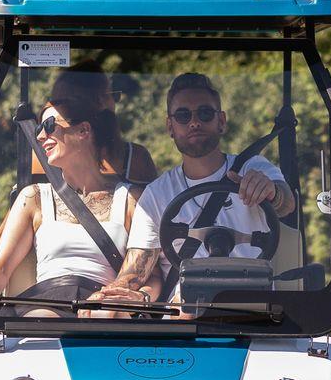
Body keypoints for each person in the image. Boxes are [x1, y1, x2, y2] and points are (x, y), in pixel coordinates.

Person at [95, 73, 296, 307]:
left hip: (251, 307)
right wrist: (106, 297)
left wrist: (271, 192)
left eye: (205, 113)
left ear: (221, 121)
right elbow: (136, 270)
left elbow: (287, 204)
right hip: (185, 314)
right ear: (170, 126)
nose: (194, 122)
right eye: (183, 115)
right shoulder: (157, 195)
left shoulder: (253, 168)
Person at [0, 94, 146, 334]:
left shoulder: (131, 199)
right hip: (46, 304)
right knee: (42, 322)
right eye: (39, 129)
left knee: (106, 318)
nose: (40, 136)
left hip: (104, 306)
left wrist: (136, 299)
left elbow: (150, 274)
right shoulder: (34, 198)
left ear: (83, 130)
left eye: (49, 125)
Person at [0, 62, 155, 265]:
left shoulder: (135, 160)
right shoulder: (45, 159)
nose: (43, 135)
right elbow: (0, 244)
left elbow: (152, 231)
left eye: (59, 104)